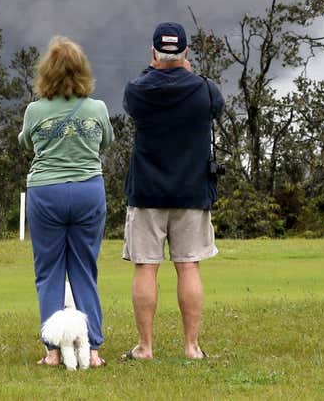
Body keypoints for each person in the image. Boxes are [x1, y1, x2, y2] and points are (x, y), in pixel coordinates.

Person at [120, 21, 224, 362]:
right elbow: (216, 106)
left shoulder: (138, 90)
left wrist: (157, 69)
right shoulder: (205, 90)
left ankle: (145, 347)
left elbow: (134, 97)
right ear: (186, 52)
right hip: (192, 192)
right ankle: (192, 347)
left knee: (146, 268)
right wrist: (187, 73)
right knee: (189, 266)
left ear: (154, 52)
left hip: (147, 192)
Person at [18, 35, 115, 368]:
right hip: (89, 190)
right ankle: (94, 350)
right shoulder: (98, 108)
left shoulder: (35, 110)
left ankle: (53, 351)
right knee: (85, 270)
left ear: (46, 73)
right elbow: (107, 140)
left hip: (46, 193)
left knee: (49, 273)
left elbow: (25, 142)